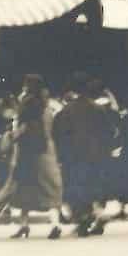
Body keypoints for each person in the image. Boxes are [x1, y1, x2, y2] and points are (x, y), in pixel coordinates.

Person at [0, 74, 63, 239]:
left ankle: (23, 225)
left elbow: (23, 127)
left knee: (22, 187)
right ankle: (55, 224)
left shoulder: (27, 103)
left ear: (27, 86)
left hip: (27, 151)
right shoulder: (49, 106)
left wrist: (11, 138)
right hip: (47, 150)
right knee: (50, 188)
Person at [51, 76, 115, 238]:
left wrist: (60, 156)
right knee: (94, 186)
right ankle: (98, 215)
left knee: (77, 188)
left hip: (74, 157)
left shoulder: (65, 112)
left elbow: (58, 135)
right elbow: (109, 133)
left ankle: (83, 221)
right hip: (97, 156)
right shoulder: (99, 109)